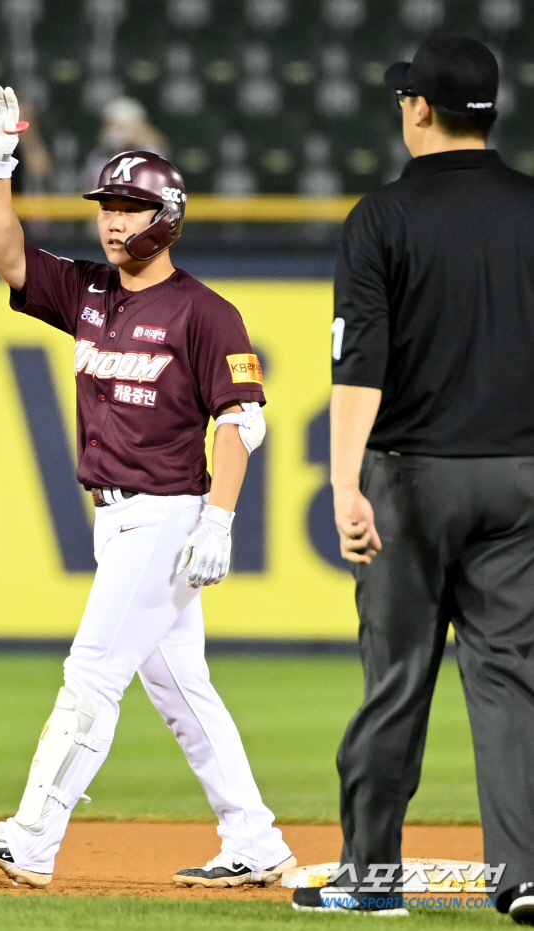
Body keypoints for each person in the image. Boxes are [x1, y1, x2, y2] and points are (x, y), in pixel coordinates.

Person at [0, 85, 295, 891]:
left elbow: (241, 420)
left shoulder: (205, 311)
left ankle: (33, 836)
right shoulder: (92, 292)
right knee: (183, 692)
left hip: (166, 516)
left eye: (130, 206)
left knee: (93, 670)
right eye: (107, 205)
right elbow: (7, 257)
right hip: (118, 517)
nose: (113, 220)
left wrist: (220, 519)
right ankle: (256, 837)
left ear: (166, 215)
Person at [291, 36, 534, 922]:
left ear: (420, 109)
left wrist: (342, 483)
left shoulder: (381, 218)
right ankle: (526, 872)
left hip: (412, 478)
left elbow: (362, 362)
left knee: (397, 677)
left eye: (406, 97)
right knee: (511, 679)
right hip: (520, 481)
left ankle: (374, 877)